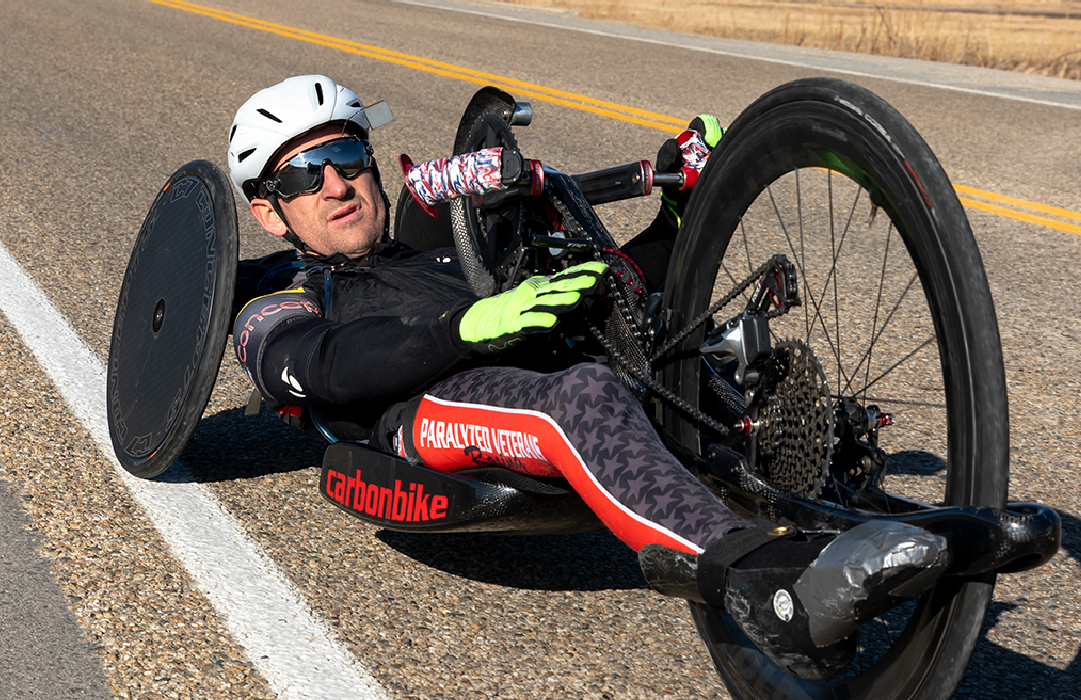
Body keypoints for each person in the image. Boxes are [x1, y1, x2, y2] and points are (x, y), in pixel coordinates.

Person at [225, 75, 948, 680]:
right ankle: (763, 584)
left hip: (535, 369)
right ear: (268, 210)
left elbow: (617, 290)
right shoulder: (283, 297)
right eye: (301, 176)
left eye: (346, 156)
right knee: (580, 396)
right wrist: (465, 327)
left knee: (682, 343)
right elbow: (320, 368)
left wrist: (683, 210)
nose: (334, 184)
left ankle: (908, 529)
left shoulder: (442, 248)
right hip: (426, 413)